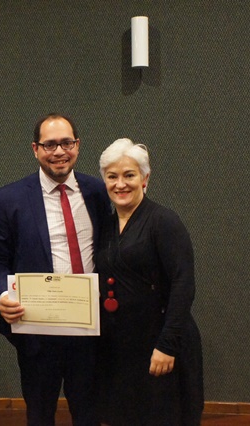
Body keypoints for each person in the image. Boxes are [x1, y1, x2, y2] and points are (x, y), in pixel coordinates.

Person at [0, 113, 111, 426]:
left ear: (77, 145)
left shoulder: (98, 193)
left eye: (66, 143)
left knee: (89, 413)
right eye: (50, 144)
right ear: (35, 149)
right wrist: (3, 294)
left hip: (88, 329)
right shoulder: (10, 198)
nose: (60, 151)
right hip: (37, 331)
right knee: (40, 414)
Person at [94, 138, 204, 425]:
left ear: (145, 178)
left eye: (129, 175)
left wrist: (167, 345)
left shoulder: (164, 221)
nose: (120, 184)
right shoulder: (105, 225)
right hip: (121, 348)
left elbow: (183, 283)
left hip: (160, 343)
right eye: (112, 176)